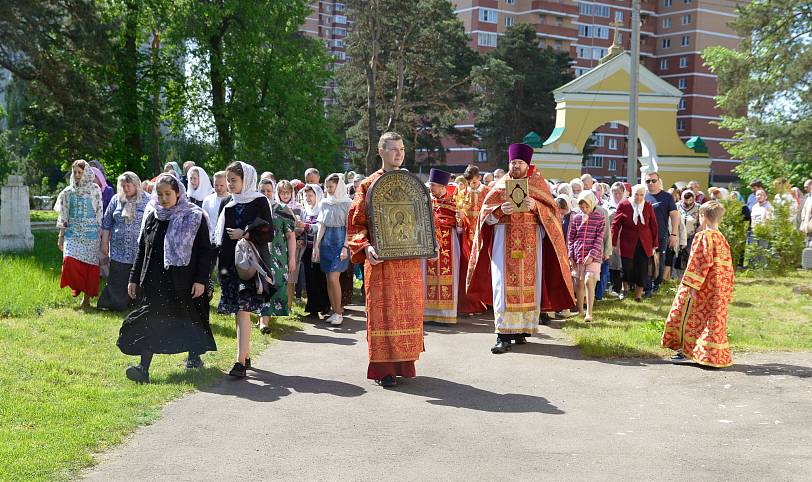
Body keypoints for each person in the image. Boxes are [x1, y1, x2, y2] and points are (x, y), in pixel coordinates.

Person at [467, 143, 575, 354]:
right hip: (503, 246)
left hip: (531, 247)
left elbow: (553, 215)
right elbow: (484, 218)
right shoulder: (500, 186)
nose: (515, 166)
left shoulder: (538, 185)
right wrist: (499, 211)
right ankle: (502, 335)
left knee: (529, 290)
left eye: (520, 163)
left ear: (527, 164)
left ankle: (521, 331)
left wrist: (536, 207)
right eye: (513, 162)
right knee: (502, 289)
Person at [117, 173, 216, 383]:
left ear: (178, 193)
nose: (163, 198)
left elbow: (205, 251)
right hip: (155, 282)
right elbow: (142, 249)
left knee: (189, 320)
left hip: (184, 282)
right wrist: (134, 277)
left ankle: (193, 356)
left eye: (168, 194)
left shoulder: (194, 216)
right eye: (160, 194)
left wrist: (201, 280)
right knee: (151, 322)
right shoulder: (153, 215)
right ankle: (143, 369)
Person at [347, 132, 425, 388]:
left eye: (402, 149)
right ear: (381, 152)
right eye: (394, 149)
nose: (399, 154)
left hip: (408, 263)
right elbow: (356, 224)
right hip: (381, 264)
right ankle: (384, 370)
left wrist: (427, 241)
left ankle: (404, 364)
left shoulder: (411, 182)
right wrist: (366, 247)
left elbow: (422, 220)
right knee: (383, 314)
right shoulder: (367, 185)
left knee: (407, 313)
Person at [214, 161, 273, 379]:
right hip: (229, 263)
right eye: (228, 180)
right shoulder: (227, 203)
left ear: (246, 180)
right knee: (237, 311)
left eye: (233, 180)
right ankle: (245, 353)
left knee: (243, 310)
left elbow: (269, 233)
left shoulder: (259, 201)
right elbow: (219, 236)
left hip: (250, 263)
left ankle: (239, 362)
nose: (229, 185)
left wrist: (246, 233)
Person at [662, 201, 734, 367]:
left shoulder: (703, 236)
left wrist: (692, 286)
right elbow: (728, 266)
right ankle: (711, 356)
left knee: (689, 318)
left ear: (703, 217)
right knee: (712, 320)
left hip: (702, 287)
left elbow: (699, 262)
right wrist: (727, 288)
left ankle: (686, 351)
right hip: (719, 288)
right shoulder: (722, 238)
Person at [55, 160, 103, 309]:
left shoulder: (95, 190)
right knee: (69, 261)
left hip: (91, 235)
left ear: (86, 173)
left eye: (79, 172)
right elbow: (63, 216)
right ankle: (78, 287)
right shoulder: (67, 192)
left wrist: (101, 234)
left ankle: (86, 299)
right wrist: (61, 237)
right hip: (72, 234)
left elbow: (99, 213)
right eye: (74, 172)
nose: (76, 175)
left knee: (89, 267)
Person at [99, 172, 149, 311]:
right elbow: (107, 223)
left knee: (138, 278)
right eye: (123, 186)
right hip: (118, 249)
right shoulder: (116, 199)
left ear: (136, 185)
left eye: (128, 185)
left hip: (139, 250)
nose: (125, 189)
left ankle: (137, 305)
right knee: (118, 278)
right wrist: (104, 244)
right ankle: (115, 303)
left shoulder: (148, 200)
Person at [257, 179, 297, 334]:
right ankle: (263, 321)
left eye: (269, 190)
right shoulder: (254, 209)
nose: (266, 193)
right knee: (261, 286)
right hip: (258, 255)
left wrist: (292, 258)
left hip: (278, 257)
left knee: (277, 286)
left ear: (273, 191)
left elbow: (291, 236)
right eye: (262, 191)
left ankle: (266, 318)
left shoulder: (282, 209)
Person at [314, 173, 352, 326]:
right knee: (328, 280)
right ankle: (334, 310)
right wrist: (316, 245)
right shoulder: (324, 203)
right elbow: (322, 225)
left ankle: (338, 312)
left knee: (333, 278)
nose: (328, 189)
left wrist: (345, 246)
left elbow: (350, 227)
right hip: (326, 243)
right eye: (327, 187)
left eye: (331, 186)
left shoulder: (347, 203)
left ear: (338, 186)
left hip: (340, 241)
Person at [423, 169, 460, 324]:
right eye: (430, 185)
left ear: (443, 186)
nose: (430, 188)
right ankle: (427, 312)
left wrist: (459, 220)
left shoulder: (455, 202)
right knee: (427, 276)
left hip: (449, 242)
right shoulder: (426, 201)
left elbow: (463, 226)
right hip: (429, 243)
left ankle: (446, 315)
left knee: (448, 277)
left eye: (433, 185)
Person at [611, 184, 658, 302]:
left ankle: (638, 294)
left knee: (642, 268)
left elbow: (653, 225)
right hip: (628, 241)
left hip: (644, 242)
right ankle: (625, 289)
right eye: (636, 194)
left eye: (642, 195)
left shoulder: (648, 206)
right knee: (627, 267)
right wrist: (613, 241)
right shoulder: (624, 204)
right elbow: (615, 225)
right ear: (632, 193)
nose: (639, 197)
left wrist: (655, 243)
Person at [568, 191, 605, 322]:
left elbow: (599, 238)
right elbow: (571, 238)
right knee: (579, 282)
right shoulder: (576, 218)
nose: (584, 210)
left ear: (592, 204)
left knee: (589, 280)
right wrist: (570, 255)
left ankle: (589, 312)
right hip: (578, 254)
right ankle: (580, 310)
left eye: (586, 207)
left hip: (593, 256)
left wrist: (591, 255)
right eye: (582, 207)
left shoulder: (599, 218)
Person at [458, 165, 489, 315]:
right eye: (470, 182)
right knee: (467, 270)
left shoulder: (488, 193)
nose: (472, 185)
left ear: (480, 178)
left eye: (475, 182)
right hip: (467, 238)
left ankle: (484, 303)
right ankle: (469, 304)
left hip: (483, 237)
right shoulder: (463, 194)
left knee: (481, 269)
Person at [644, 171, 679, 295]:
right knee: (646, 261)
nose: (651, 183)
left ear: (659, 182)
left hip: (661, 235)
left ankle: (656, 284)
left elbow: (675, 215)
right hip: (644, 237)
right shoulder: (643, 196)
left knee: (659, 262)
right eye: (648, 181)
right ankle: (646, 287)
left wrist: (674, 234)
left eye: (654, 180)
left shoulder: (667, 197)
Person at [298, 184, 330, 318]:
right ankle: (312, 308)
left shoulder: (322, 209)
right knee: (310, 279)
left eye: (311, 195)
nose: (308, 198)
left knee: (321, 278)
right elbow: (304, 229)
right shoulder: (305, 210)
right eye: (306, 195)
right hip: (307, 250)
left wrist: (305, 226)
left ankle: (325, 305)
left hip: (319, 249)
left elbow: (319, 227)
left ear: (317, 196)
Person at [202, 171, 230, 244]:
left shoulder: (232, 200)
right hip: (211, 240)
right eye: (216, 185)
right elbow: (204, 221)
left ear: (227, 184)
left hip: (227, 240)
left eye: (221, 185)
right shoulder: (207, 200)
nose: (218, 188)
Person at [675, 190, 700, 273]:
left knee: (689, 254)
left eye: (690, 200)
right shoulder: (677, 206)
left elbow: (700, 222)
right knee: (677, 254)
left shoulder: (698, 207)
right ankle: (675, 274)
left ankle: (688, 273)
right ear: (682, 198)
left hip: (691, 235)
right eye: (686, 200)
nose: (688, 202)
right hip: (678, 234)